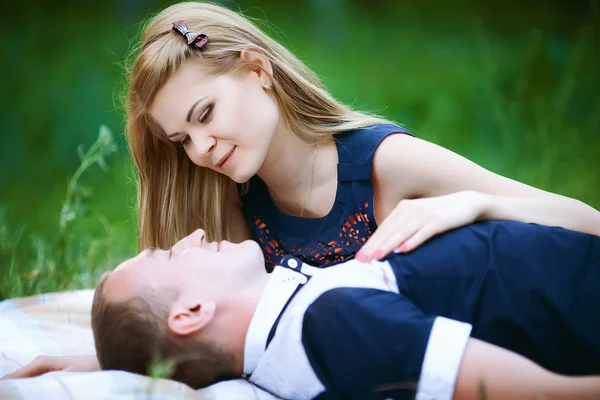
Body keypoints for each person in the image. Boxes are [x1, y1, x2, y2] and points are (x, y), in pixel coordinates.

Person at [126, 1, 600, 273]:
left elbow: (585, 222)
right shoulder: (235, 201)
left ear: (257, 69)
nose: (201, 148)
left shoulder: (384, 164)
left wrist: (477, 204)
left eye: (205, 114)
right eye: (182, 140)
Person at [88, 221, 600, 399]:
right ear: (192, 311)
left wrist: (104, 357)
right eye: (172, 255)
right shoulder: (331, 326)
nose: (193, 236)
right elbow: (539, 395)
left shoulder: (294, 330)